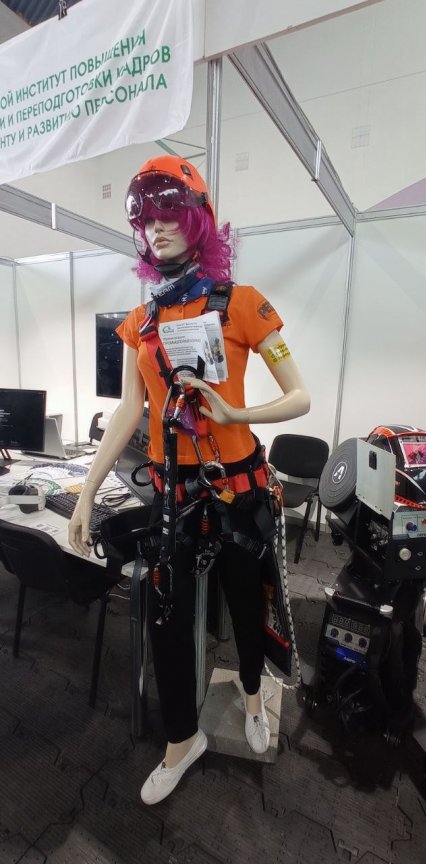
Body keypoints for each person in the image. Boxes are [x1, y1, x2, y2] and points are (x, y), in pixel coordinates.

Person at [68, 155, 310, 805]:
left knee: (245, 603)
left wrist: (236, 413)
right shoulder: (140, 323)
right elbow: (129, 410)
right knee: (165, 619)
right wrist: (86, 492)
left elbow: (300, 396)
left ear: (199, 219)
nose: (157, 228)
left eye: (169, 213)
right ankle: (181, 739)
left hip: (238, 488)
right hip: (173, 496)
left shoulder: (244, 305)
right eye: (146, 219)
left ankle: (253, 697)